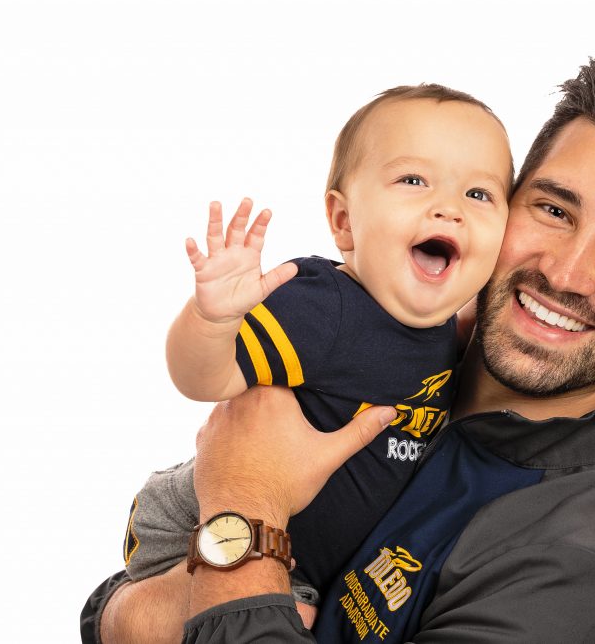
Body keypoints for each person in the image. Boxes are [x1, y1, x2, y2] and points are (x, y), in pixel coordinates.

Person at [83, 52, 595, 643]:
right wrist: (147, 612)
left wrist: (245, 499)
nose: (565, 273)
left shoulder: (588, 572)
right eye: (552, 209)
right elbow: (116, 611)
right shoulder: (395, 345)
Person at [117, 84, 513, 620]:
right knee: (291, 621)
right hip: (203, 527)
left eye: (479, 194)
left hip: (300, 562)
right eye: (413, 180)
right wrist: (212, 320)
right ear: (344, 221)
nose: (448, 209)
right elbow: (204, 379)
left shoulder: (459, 335)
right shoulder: (325, 307)